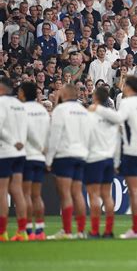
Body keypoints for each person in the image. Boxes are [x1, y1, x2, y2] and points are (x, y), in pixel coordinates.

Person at [91, 76, 137, 239]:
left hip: (133, 152)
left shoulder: (127, 103)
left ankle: (135, 230)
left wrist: (98, 109)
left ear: (128, 88)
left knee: (134, 191)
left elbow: (118, 119)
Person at [46, 84, 91, 240]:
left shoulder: (60, 110)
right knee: (78, 193)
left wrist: (49, 158)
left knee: (65, 194)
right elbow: (88, 135)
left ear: (64, 94)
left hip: (65, 155)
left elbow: (55, 135)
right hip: (81, 155)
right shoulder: (83, 111)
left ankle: (66, 231)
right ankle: (80, 231)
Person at [85, 87, 120, 238]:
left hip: (94, 158)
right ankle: (108, 231)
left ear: (95, 98)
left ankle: (94, 231)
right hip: (109, 159)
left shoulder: (89, 115)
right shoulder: (112, 117)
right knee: (107, 196)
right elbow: (118, 139)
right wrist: (117, 161)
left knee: (94, 195)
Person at [18, 82, 49, 241]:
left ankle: (28, 231)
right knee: (37, 196)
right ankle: (41, 231)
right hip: (40, 158)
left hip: (27, 156)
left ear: (23, 93)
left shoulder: (22, 110)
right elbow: (48, 132)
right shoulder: (43, 110)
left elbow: (26, 132)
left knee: (25, 195)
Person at [0, 77, 28, 241]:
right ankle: (22, 232)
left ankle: (2, 232)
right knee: (17, 190)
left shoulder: (1, 103)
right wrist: (20, 143)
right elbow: (25, 127)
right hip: (20, 153)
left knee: (2, 191)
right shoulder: (19, 104)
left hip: (5, 151)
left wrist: (12, 142)